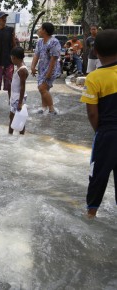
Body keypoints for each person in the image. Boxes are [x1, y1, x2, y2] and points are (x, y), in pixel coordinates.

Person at [79, 29, 117, 218]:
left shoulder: (94, 77)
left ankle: (91, 213)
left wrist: (99, 132)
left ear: (96, 52)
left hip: (107, 134)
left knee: (98, 176)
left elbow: (92, 113)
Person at [31, 22, 61, 115]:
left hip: (51, 68)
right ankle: (44, 107)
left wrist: (49, 72)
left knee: (42, 88)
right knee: (44, 88)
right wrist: (33, 66)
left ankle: (52, 109)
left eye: (40, 28)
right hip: (42, 68)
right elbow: (36, 55)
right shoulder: (40, 41)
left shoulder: (54, 42)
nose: (39, 30)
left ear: (44, 30)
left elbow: (54, 58)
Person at [8, 47, 29, 135]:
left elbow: (22, 87)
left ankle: (10, 135)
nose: (11, 59)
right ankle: (18, 135)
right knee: (16, 117)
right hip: (15, 96)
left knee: (14, 117)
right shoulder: (19, 67)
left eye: (11, 58)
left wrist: (20, 102)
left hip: (18, 97)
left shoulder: (22, 70)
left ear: (15, 58)